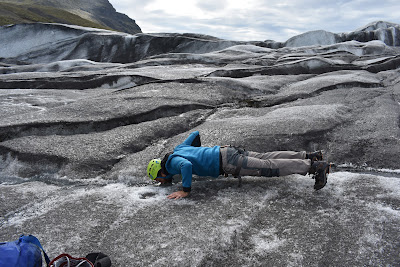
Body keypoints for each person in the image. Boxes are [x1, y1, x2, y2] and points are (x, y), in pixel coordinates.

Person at [147, 131, 330, 199]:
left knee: (268, 166)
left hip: (228, 162)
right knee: (267, 157)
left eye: (159, 179)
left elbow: (185, 167)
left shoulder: (171, 164)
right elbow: (195, 134)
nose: (162, 182)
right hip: (227, 151)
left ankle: (313, 167)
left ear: (160, 173)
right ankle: (310, 156)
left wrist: (185, 190)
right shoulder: (178, 149)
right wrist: (200, 155)